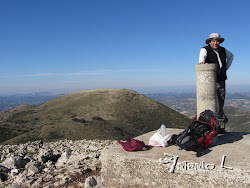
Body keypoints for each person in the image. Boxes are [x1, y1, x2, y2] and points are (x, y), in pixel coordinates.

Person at [198, 33, 234, 133]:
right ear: (209, 42)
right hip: (211, 81)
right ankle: (217, 123)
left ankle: (219, 123)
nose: (215, 43)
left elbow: (231, 57)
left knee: (220, 102)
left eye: (217, 41)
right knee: (212, 103)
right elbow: (202, 58)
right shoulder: (204, 49)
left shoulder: (223, 50)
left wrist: (226, 67)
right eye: (213, 41)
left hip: (221, 79)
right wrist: (202, 62)